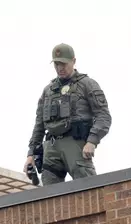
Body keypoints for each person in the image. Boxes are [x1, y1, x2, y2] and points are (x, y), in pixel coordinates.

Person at [24, 43, 112, 185]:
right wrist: (31, 154)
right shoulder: (48, 90)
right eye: (57, 64)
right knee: (49, 195)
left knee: (88, 189)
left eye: (63, 64)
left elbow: (104, 116)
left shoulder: (87, 84)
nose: (60, 68)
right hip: (51, 147)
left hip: (76, 144)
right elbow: (39, 125)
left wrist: (92, 141)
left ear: (73, 61)